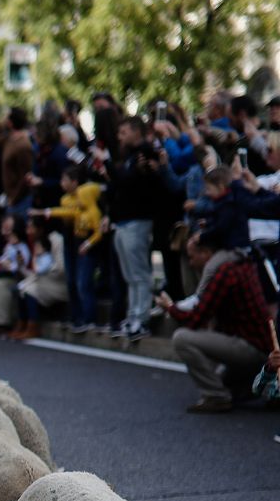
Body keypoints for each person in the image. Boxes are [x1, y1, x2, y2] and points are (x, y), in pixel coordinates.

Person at [163, 240, 275, 412]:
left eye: (192, 257)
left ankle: (216, 396)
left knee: (182, 338)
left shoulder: (224, 273)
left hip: (252, 348)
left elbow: (197, 318)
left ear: (206, 253)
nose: (190, 263)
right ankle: (252, 386)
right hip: (258, 346)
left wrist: (170, 308)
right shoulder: (242, 263)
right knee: (227, 383)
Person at [101, 117, 167, 339]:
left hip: (138, 220)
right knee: (129, 274)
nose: (120, 137)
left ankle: (142, 318)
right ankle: (133, 316)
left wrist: (108, 166)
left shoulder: (145, 153)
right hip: (122, 221)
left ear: (137, 132)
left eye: (124, 132)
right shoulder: (128, 156)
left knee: (139, 272)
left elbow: (130, 182)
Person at [36, 165, 105, 333]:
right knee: (72, 280)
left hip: (84, 244)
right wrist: (48, 212)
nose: (62, 183)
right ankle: (76, 316)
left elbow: (96, 231)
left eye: (65, 180)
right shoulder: (67, 200)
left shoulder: (92, 211)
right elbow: (68, 212)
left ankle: (89, 318)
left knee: (83, 281)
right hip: (72, 241)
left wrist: (88, 243)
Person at [0, 215, 31, 336]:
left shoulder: (22, 247)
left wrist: (10, 265)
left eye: (9, 229)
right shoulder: (7, 246)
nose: (6, 232)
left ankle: (2, 322)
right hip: (3, 274)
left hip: (17, 277)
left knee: (1, 285)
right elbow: (1, 260)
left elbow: (22, 266)